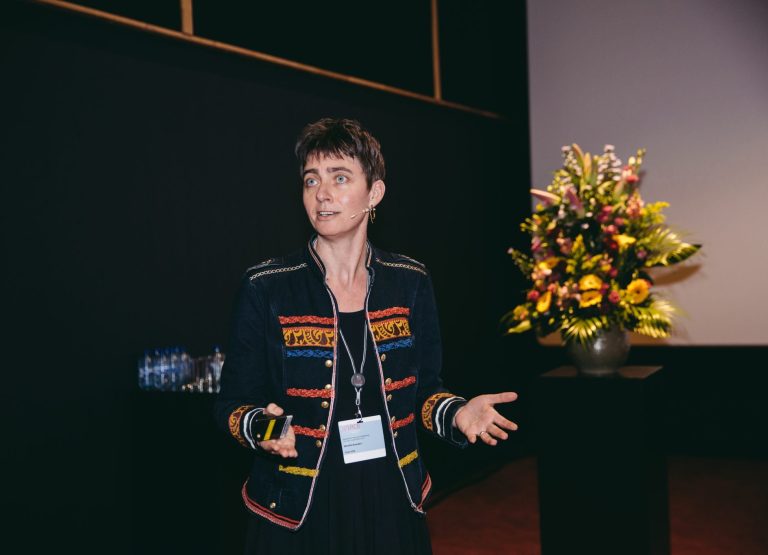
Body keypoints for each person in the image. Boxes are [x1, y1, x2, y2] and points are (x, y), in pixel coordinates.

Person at [214, 118, 518, 554]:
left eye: (339, 177)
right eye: (311, 180)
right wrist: (265, 427)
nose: (322, 193)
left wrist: (456, 414)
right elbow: (231, 403)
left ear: (374, 193)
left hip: (391, 496)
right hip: (300, 505)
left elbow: (425, 392)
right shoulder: (267, 286)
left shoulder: (409, 281)